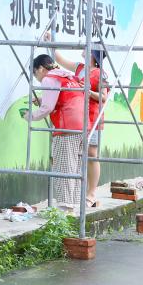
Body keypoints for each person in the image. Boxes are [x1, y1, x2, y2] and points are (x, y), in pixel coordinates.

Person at [26, 53, 89, 209]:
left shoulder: (49, 79)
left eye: (35, 73)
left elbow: (48, 107)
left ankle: (65, 209)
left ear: (40, 69)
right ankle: (74, 206)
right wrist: (42, 99)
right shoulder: (68, 77)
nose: (37, 78)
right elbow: (62, 98)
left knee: (64, 167)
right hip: (82, 127)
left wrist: (30, 116)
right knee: (75, 168)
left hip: (65, 127)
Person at [48, 47, 108, 208]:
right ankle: (78, 194)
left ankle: (91, 193)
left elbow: (104, 97)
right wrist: (50, 43)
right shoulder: (79, 68)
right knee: (79, 154)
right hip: (78, 117)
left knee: (92, 154)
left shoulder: (100, 73)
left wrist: (88, 92)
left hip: (92, 117)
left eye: (88, 50)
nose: (83, 51)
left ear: (94, 55)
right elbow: (59, 59)